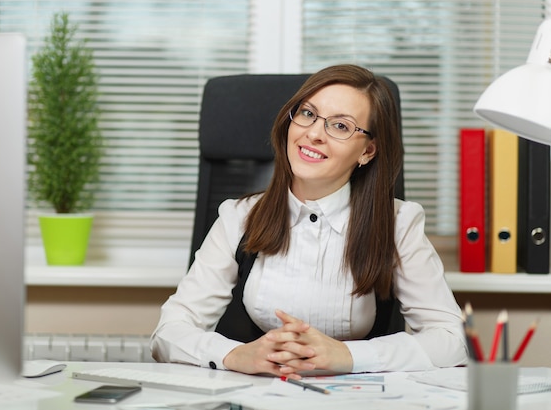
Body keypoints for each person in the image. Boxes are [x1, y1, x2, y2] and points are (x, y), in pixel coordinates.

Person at [150, 64, 468, 378]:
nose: (313, 133)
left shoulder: (398, 223)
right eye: (307, 114)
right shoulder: (239, 217)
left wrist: (347, 355)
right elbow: (168, 334)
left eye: (341, 126)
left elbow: (453, 340)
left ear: (368, 151)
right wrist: (234, 355)